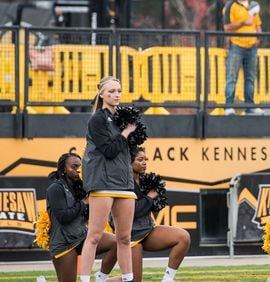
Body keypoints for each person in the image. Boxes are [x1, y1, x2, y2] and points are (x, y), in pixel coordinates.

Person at [80, 76, 137, 282]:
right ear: (102, 94)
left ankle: (128, 279)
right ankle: (85, 279)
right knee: (94, 236)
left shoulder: (124, 118)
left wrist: (131, 135)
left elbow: (130, 153)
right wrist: (126, 133)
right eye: (111, 91)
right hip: (103, 182)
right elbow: (109, 150)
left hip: (124, 182)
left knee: (124, 237)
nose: (116, 95)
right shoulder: (97, 119)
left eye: (119, 91)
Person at [45, 152, 117, 282]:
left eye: (80, 166)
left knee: (117, 242)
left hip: (82, 236)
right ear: (63, 169)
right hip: (64, 243)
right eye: (74, 166)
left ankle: (101, 277)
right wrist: (84, 203)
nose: (78, 169)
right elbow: (63, 217)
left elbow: (87, 216)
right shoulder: (55, 188)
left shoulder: (81, 187)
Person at [129, 147, 191, 282]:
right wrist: (150, 198)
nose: (144, 163)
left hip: (147, 230)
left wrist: (154, 199)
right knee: (134, 280)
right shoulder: (122, 182)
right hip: (130, 237)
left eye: (145, 159)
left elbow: (149, 207)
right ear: (129, 161)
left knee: (183, 237)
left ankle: (168, 279)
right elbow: (132, 212)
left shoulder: (144, 180)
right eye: (140, 160)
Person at [223, 0, 265, 116]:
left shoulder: (254, 5)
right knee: (232, 77)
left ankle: (249, 107)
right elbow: (227, 27)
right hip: (236, 45)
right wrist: (244, 22)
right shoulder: (230, 5)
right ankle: (229, 106)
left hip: (251, 47)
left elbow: (257, 25)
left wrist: (258, 38)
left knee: (250, 78)